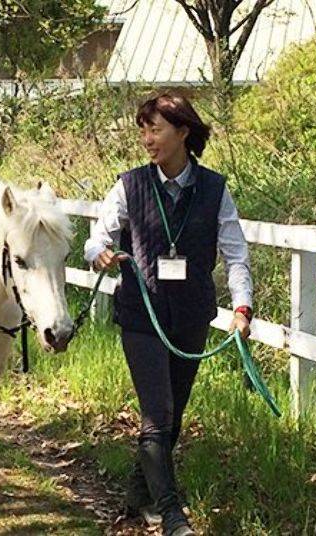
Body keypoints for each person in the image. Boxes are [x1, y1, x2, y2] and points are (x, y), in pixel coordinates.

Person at [84, 94, 253, 536]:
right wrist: (100, 254)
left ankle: (137, 495)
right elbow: (97, 235)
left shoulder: (215, 189)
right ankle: (173, 516)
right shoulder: (130, 185)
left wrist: (242, 307)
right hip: (142, 316)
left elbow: (236, 254)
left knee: (172, 415)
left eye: (154, 129)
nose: (146, 139)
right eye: (143, 130)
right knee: (157, 413)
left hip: (192, 316)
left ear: (183, 133)